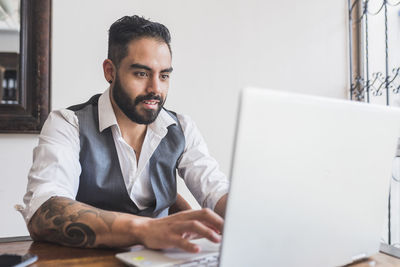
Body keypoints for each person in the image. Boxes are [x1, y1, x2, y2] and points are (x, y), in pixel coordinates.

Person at [21, 15, 229, 253]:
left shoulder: (181, 128)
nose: (155, 89)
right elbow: (44, 209)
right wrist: (144, 230)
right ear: (110, 71)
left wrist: (255, 218)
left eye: (164, 76)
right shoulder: (67, 124)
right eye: (141, 74)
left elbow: (217, 190)